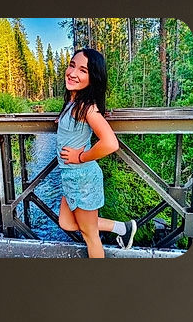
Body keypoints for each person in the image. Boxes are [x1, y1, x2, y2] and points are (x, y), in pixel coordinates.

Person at [55, 49, 137, 258]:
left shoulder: (87, 108)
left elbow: (110, 143)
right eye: (72, 65)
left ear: (93, 79)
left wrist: (79, 157)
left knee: (90, 236)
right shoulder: (73, 104)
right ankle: (123, 228)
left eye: (83, 70)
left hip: (83, 179)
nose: (73, 73)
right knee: (66, 222)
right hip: (70, 177)